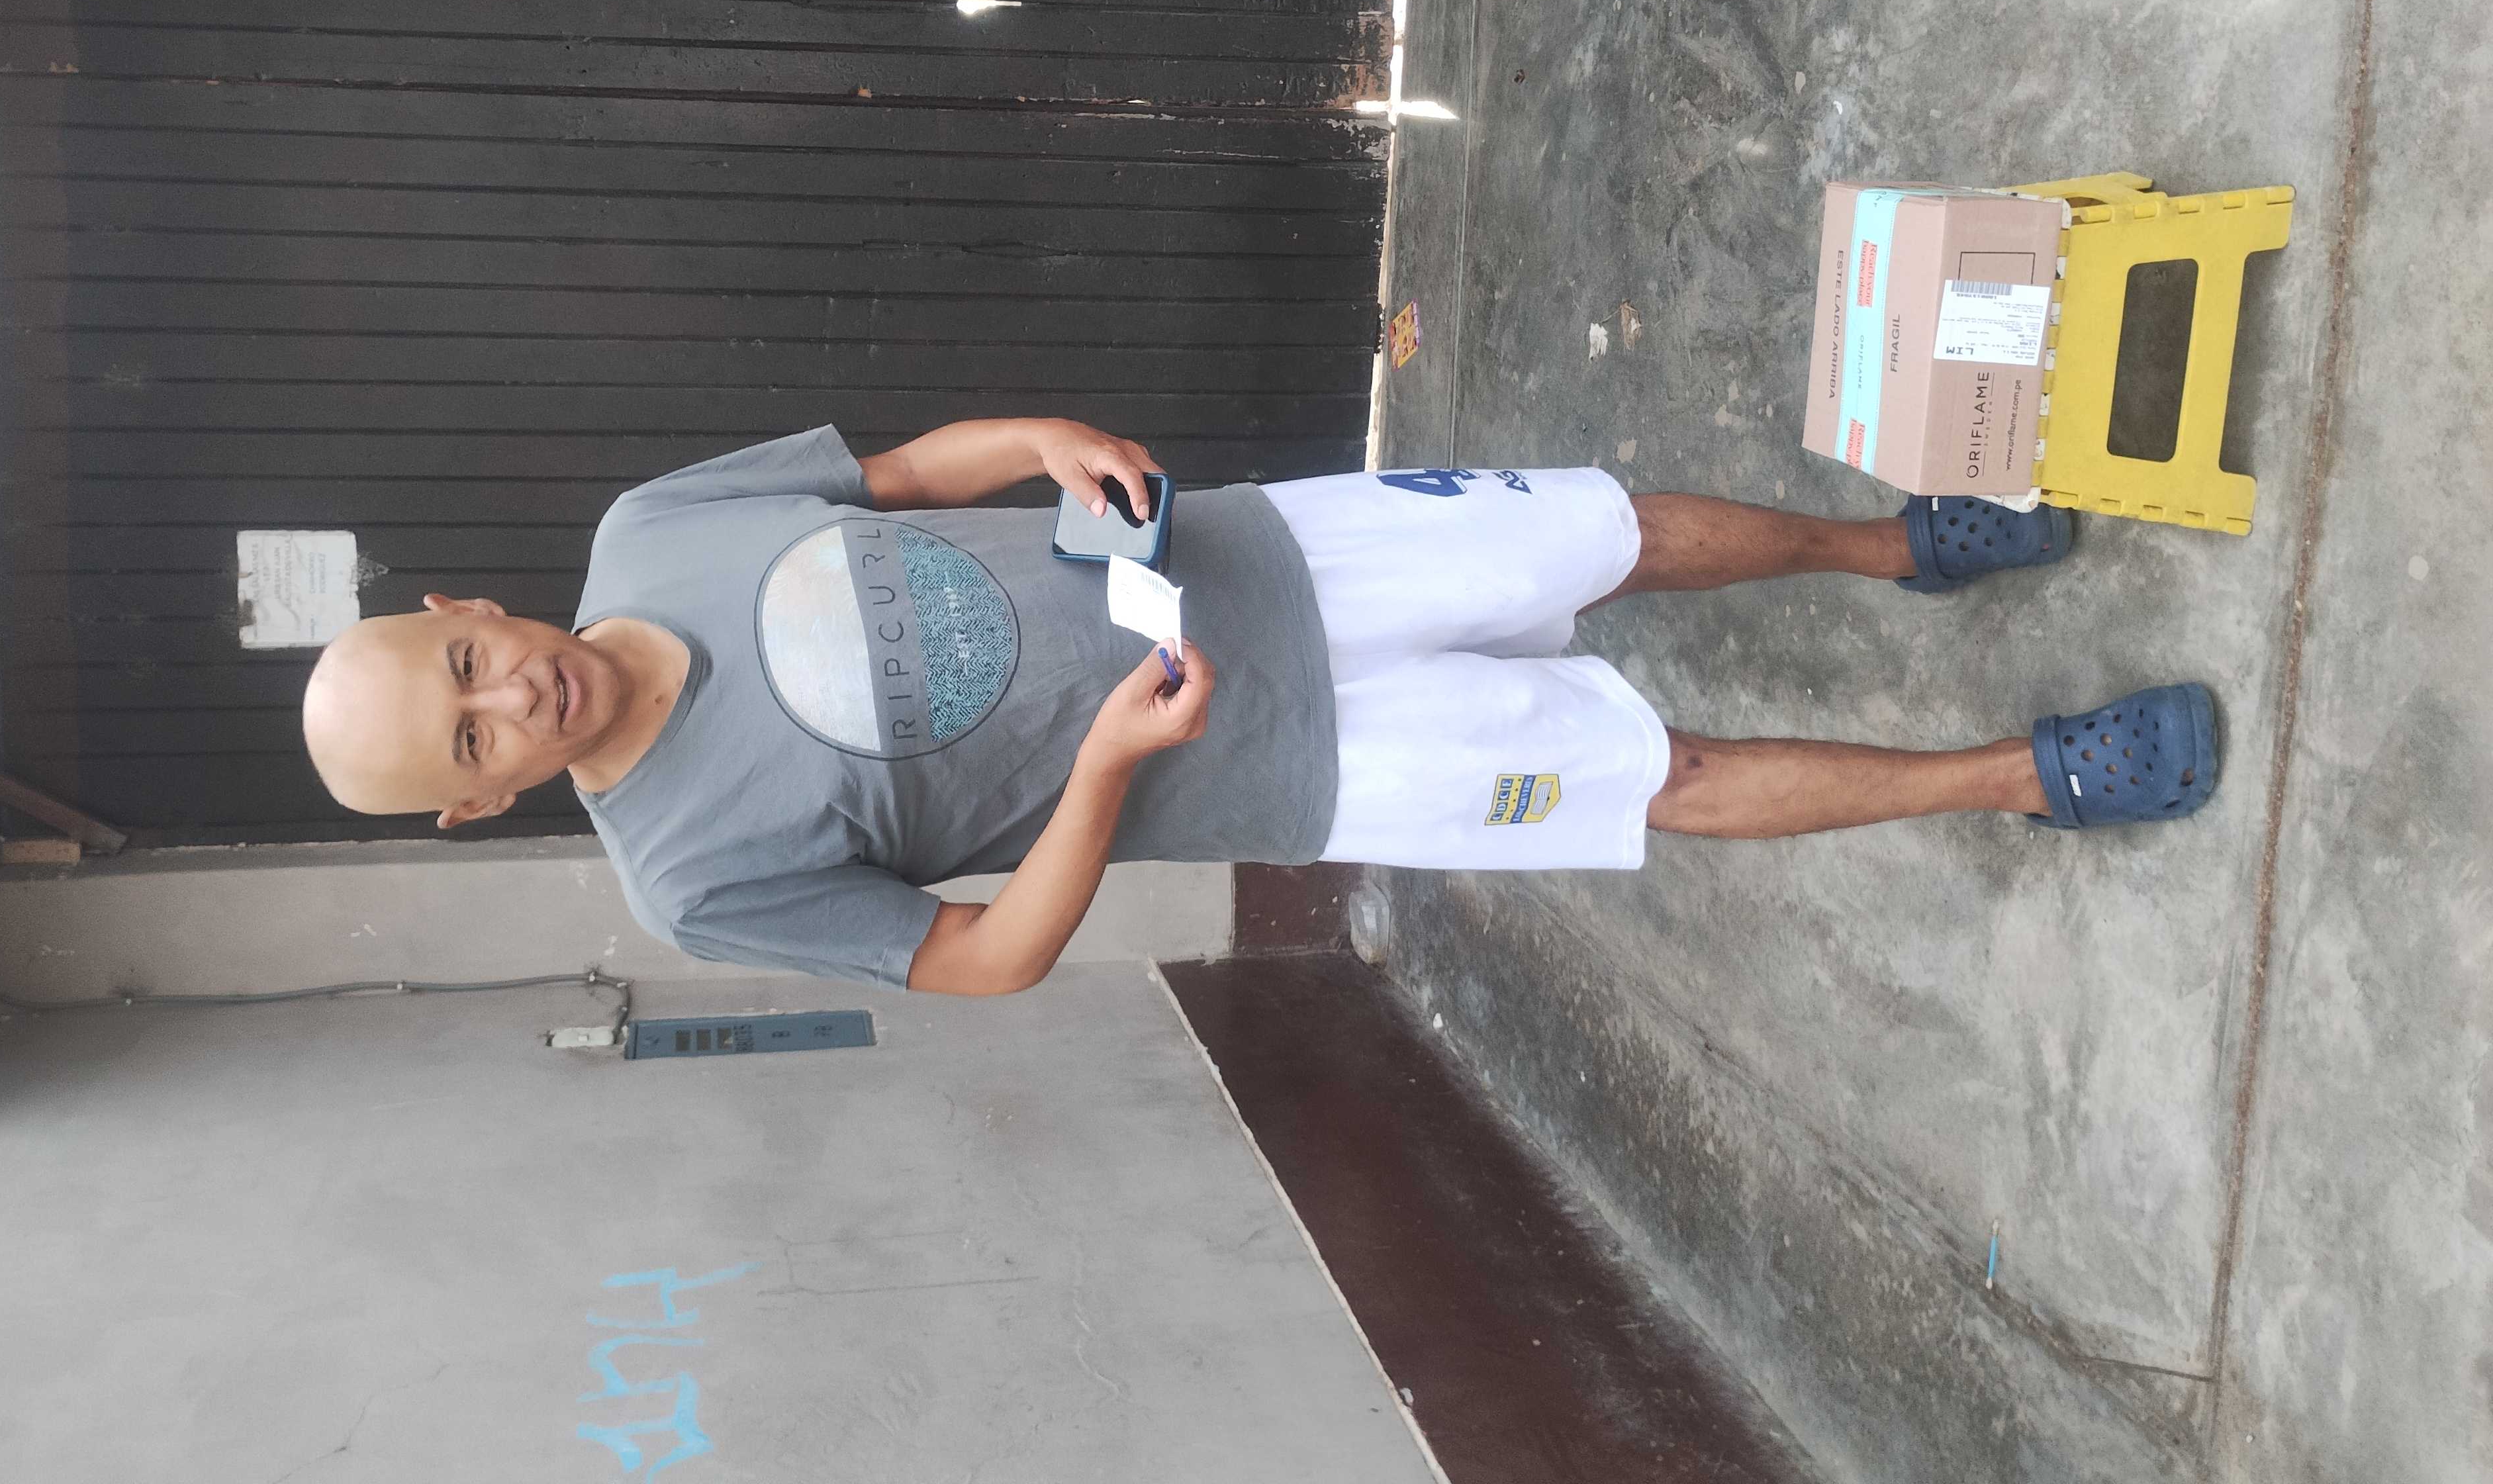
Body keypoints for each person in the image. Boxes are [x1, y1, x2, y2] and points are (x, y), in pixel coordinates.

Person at [300, 418, 2216, 995]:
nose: (510, 695)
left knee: (1613, 534)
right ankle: (2025, 779)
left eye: (462, 664)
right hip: (1295, 768)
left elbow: (892, 479)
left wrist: (1036, 441)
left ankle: (1901, 548)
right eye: (472, 743)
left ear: (461, 607)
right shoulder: (689, 882)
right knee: (1663, 775)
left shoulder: (648, 524)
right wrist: (1106, 772)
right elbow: (981, 962)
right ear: (480, 805)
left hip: (1275, 549)